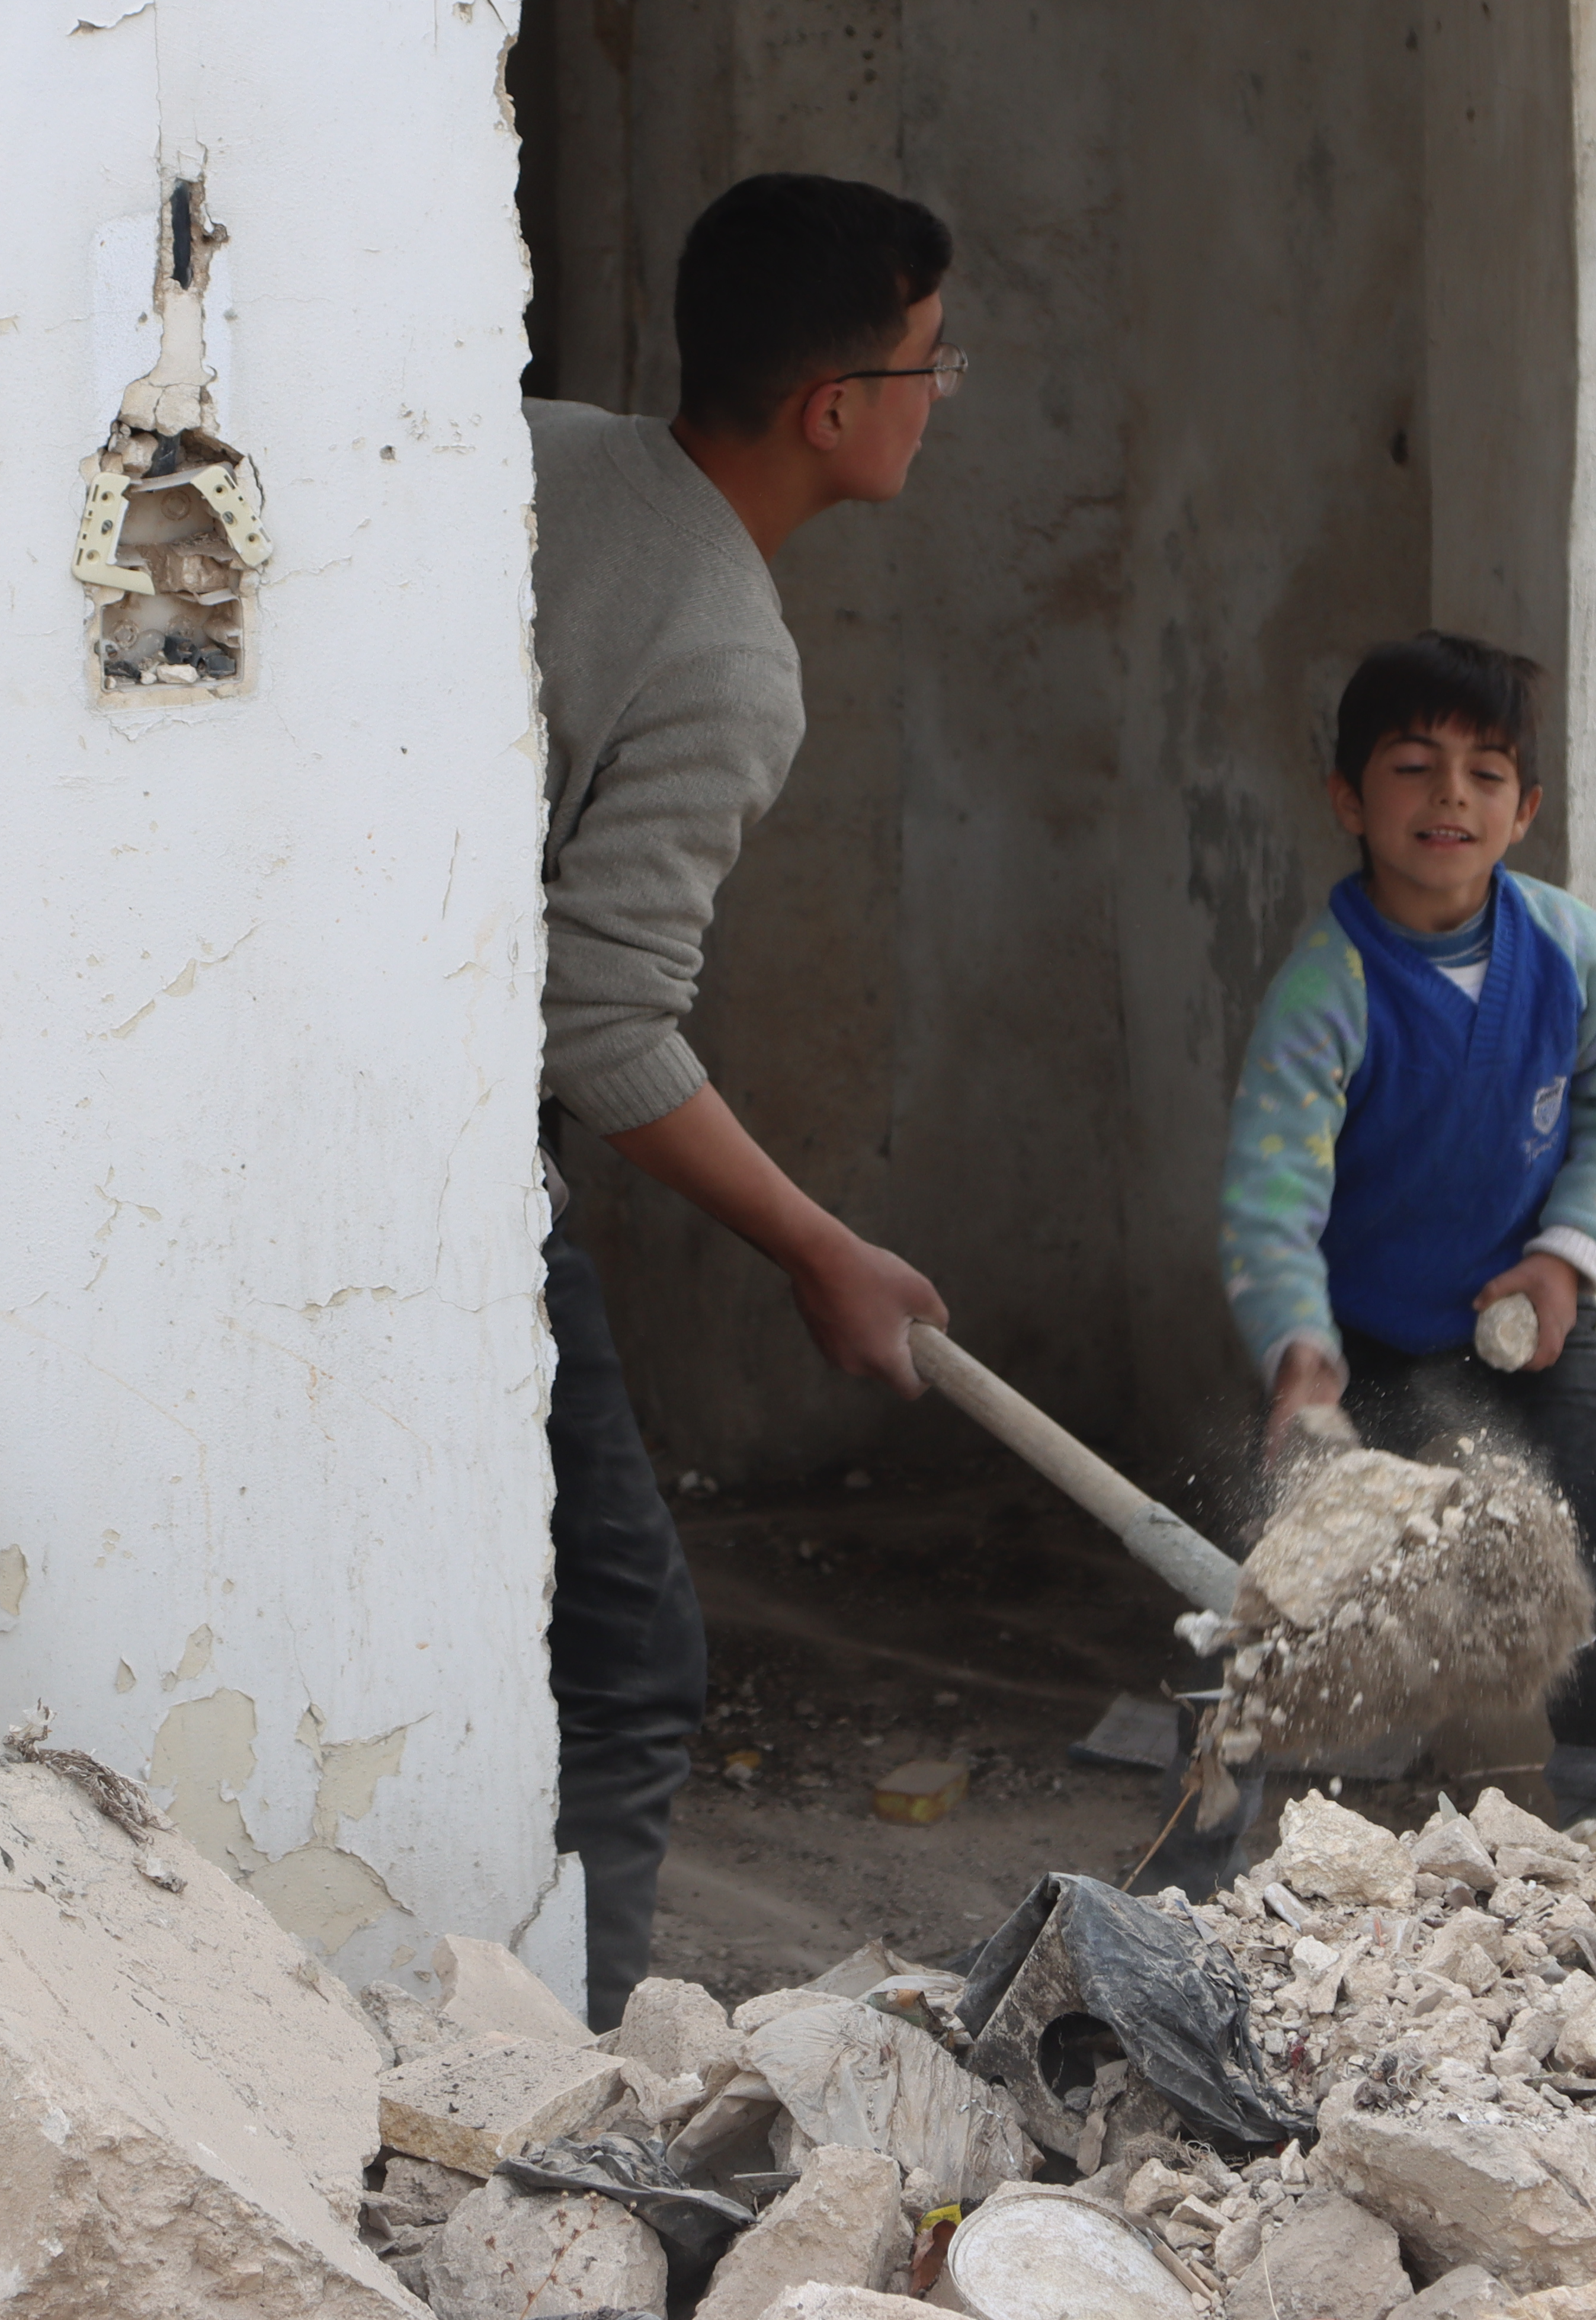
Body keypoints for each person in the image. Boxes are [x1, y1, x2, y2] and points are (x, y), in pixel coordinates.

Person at [528, 174, 964, 2025]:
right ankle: (579, 2077)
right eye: (938, 363)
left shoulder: (530, 450)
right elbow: (595, 1013)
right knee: (628, 1659)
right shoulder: (724, 652)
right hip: (434, 1166)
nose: (945, 396)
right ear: (836, 406)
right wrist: (818, 1245)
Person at [1215, 632, 1596, 1853]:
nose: (1449, 798)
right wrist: (1300, 1353)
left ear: (1524, 809)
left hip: (1528, 1317)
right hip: (1361, 1328)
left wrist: (1569, 1253)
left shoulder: (1573, 953)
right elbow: (1272, 1193)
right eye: (1414, 767)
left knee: (1595, 1531)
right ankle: (1222, 1799)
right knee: (1306, 1565)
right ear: (1348, 800)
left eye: (1484, 773)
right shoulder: (1329, 989)